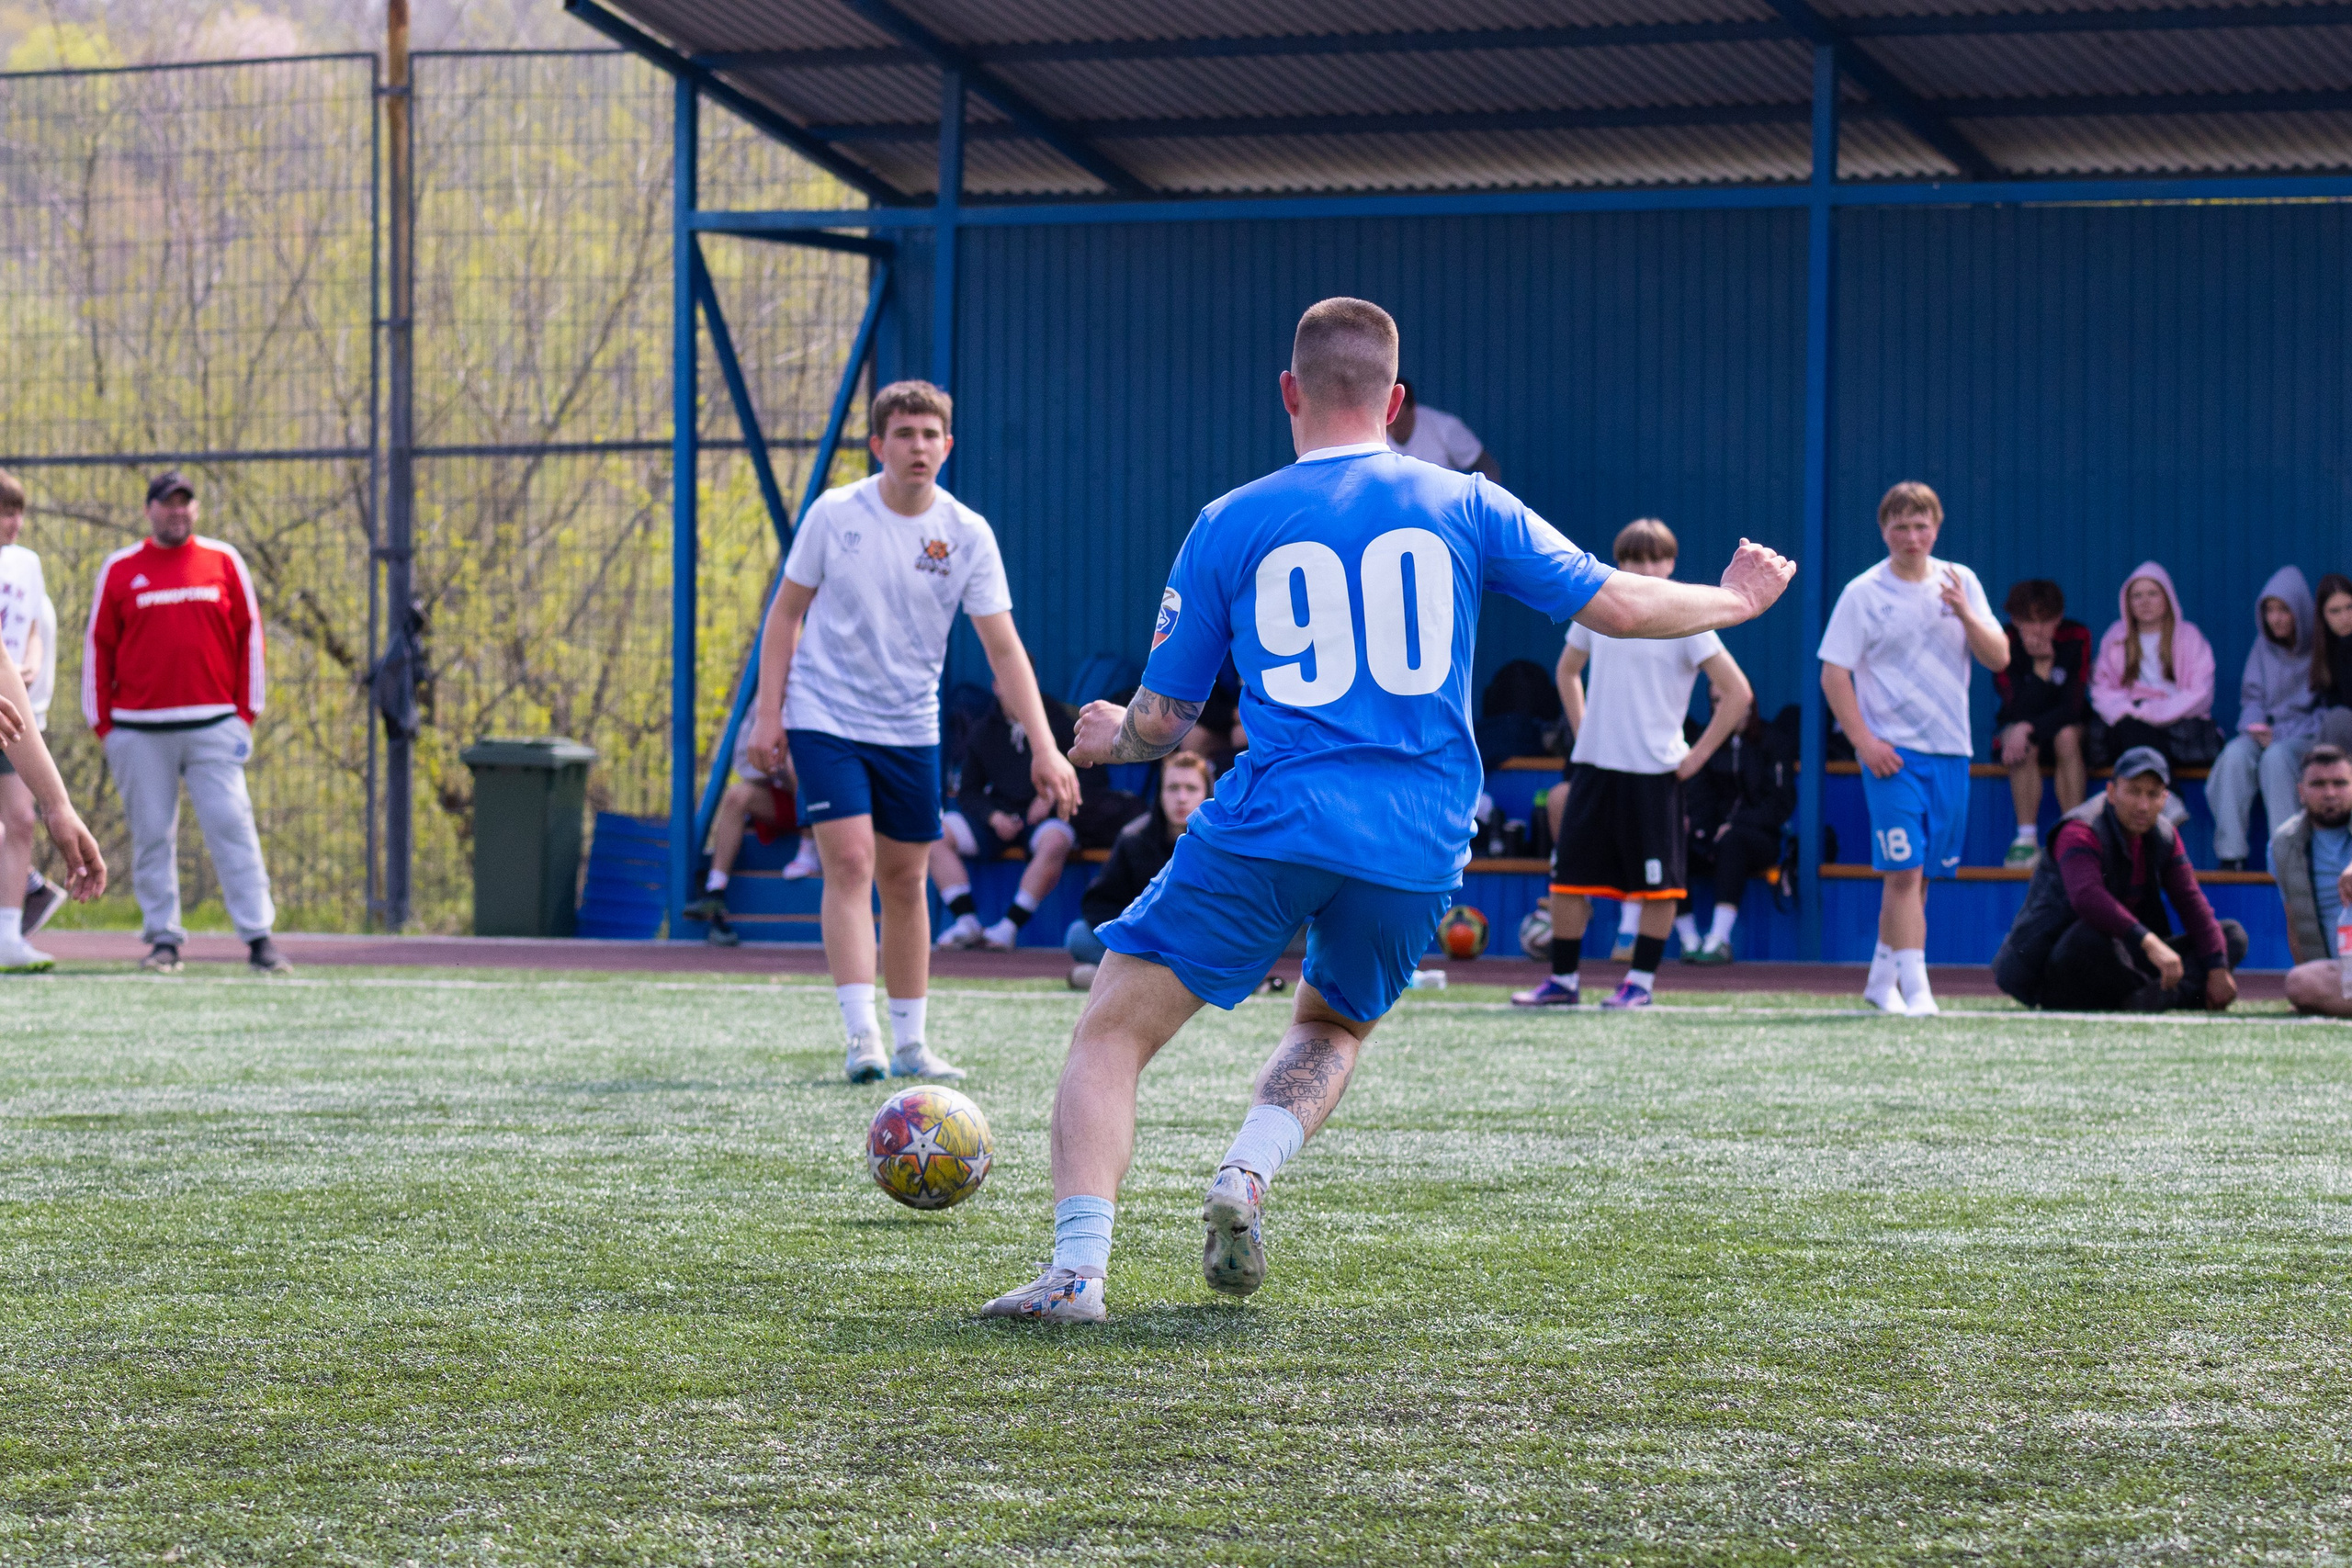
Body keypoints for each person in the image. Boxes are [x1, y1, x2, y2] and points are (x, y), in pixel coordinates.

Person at [980, 296, 1793, 1323]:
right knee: (1333, 1022)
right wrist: (1738, 601)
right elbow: (1622, 606)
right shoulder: (1466, 503)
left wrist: (1111, 739)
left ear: (1289, 392)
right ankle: (1248, 1168)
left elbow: (1168, 717)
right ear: (1398, 403)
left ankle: (1077, 1275)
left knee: (1110, 1033)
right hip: (1417, 837)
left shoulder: (1230, 519)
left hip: (1276, 818)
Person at [743, 380, 1079, 1085]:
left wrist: (1047, 747)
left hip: (909, 725)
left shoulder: (966, 533)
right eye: (904, 434)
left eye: (931, 434)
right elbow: (784, 617)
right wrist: (770, 711)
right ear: (878, 445)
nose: (918, 446)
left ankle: (911, 1043)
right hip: (825, 714)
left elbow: (1005, 649)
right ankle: (861, 1035)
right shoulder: (835, 515)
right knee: (854, 863)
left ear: (947, 446)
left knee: (907, 876)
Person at [1511, 518, 1753, 1009]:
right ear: (1618, 562)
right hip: (1595, 770)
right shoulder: (1598, 612)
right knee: (1567, 881)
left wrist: (1696, 757)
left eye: (1654, 558)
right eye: (1633, 558)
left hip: (1655, 775)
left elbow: (1737, 693)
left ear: (1671, 562)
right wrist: (1584, 733)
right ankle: (1563, 982)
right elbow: (1567, 673)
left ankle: (1638, 984)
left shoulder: (1688, 619)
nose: (1644, 567)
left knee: (1658, 889)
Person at [84, 471, 289, 976]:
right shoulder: (120, 568)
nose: (177, 511)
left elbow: (250, 639)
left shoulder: (223, 560)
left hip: (215, 726)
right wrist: (105, 728)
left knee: (232, 825)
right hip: (137, 730)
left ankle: (259, 937)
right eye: (167, 503)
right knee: (152, 835)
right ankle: (163, 939)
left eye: (185, 503)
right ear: (149, 509)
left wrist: (245, 717)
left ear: (195, 509)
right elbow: (97, 649)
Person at [1817, 480, 2008, 1017]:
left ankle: (1882, 981)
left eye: (1921, 525)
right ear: (1883, 530)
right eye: (1899, 526)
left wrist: (1966, 613)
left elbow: (1999, 658)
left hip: (1951, 749)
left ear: (1937, 527)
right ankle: (1918, 990)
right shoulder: (1863, 593)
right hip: (1892, 755)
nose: (1911, 536)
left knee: (1922, 875)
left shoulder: (1960, 580)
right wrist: (1864, 742)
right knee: (1903, 871)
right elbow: (1834, 673)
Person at [1992, 747, 2245, 1012]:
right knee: (2088, 935)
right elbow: (2087, 898)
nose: (2143, 805)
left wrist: (2218, 967)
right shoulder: (2080, 829)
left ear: (2165, 799)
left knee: (2231, 936)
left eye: (2152, 794)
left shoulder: (2164, 835)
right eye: (2134, 791)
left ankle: (2147, 998)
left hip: (2125, 958)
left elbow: (2192, 903)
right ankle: (2166, 995)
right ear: (2112, 793)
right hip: (2061, 962)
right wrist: (2150, 943)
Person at [931, 675, 1127, 951]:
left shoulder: (1060, 721)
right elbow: (969, 793)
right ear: (996, 686)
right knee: (935, 834)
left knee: (1057, 840)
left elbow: (1093, 779)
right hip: (998, 819)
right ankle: (966, 922)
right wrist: (992, 816)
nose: (1016, 689)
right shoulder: (983, 730)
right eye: (1007, 680)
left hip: (1045, 819)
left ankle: (1008, 928)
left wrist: (1051, 795)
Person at [1064, 750, 1215, 989]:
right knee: (1078, 936)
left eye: (1191, 788)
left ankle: (1115, 981)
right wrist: (1138, 929)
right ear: (1160, 793)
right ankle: (1168, 982)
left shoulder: (1223, 844)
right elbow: (1099, 904)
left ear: (1207, 793)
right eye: (1173, 788)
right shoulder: (1134, 838)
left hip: (1199, 943)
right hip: (1145, 944)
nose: (1182, 798)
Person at [2209, 567, 2321, 871]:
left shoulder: (2320, 647)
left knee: (2276, 758)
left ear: (2299, 609)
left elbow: (2326, 712)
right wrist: (2253, 724)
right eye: (2270, 610)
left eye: (2284, 609)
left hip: (2303, 737)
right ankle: (2231, 855)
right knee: (2233, 755)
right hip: (2266, 733)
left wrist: (2280, 734)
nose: (2276, 618)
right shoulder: (2262, 646)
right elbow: (2252, 697)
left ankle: (2285, 859)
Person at [1676, 697, 1798, 964]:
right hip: (1710, 837)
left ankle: (1720, 938)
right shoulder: (1706, 742)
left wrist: (1736, 824)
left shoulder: (1773, 741)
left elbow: (1780, 803)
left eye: (1728, 698)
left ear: (1748, 701)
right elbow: (1698, 796)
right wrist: (1701, 830)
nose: (1723, 706)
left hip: (1758, 838)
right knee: (1673, 842)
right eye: (1715, 700)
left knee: (1733, 840)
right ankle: (1689, 939)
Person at [0, 470, 63, 969]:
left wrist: (33, 664)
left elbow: (33, 628)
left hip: (13, 707)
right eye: (4, 510)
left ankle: (9, 932)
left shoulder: (27, 565)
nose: (12, 521)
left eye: (18, 510)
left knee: (23, 817)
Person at [1990, 578, 2092, 868]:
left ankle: (2073, 833)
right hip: (2019, 729)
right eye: (2027, 621)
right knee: (2019, 742)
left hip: (2063, 727)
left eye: (2045, 620)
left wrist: (2028, 727)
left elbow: (2072, 706)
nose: (2036, 629)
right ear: (2014, 619)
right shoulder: (2002, 641)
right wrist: (2042, 668)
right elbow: (2014, 705)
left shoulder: (2077, 635)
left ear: (2058, 618)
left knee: (2066, 736)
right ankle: (2025, 840)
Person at [680, 724, 799, 947]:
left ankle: (809, 847)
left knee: (800, 766)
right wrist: (774, 764)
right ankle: (715, 890)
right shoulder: (762, 707)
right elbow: (745, 766)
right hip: (783, 798)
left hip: (826, 801)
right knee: (736, 796)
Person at [2089, 562, 2216, 768]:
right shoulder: (2115, 637)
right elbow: (2100, 688)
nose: (2144, 602)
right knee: (2131, 729)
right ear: (2127, 602)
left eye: (2152, 594)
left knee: (2137, 733)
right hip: (2128, 719)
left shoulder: (2189, 636)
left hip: (2177, 724)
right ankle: (2171, 796)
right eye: (2137, 596)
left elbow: (2202, 693)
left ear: (2167, 597)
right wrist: (2126, 710)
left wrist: (2154, 713)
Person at [2273, 744, 2352, 1017]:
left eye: (2340, 783)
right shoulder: (2283, 844)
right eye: (2318, 784)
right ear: (2301, 792)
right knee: (2300, 982)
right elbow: (2294, 922)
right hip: (2341, 973)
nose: (2330, 793)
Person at [1384, 379, 1500, 481]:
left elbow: (1486, 466)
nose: (1390, 416)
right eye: (1385, 409)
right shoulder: (1374, 428)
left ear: (1412, 407)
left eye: (1397, 411)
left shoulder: (1445, 427)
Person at [2308, 573, 2352, 753]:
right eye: (2335, 611)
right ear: (2322, 615)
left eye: (2350, 607)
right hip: (2337, 739)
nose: (2345, 617)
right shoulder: (2324, 650)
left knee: (2338, 719)